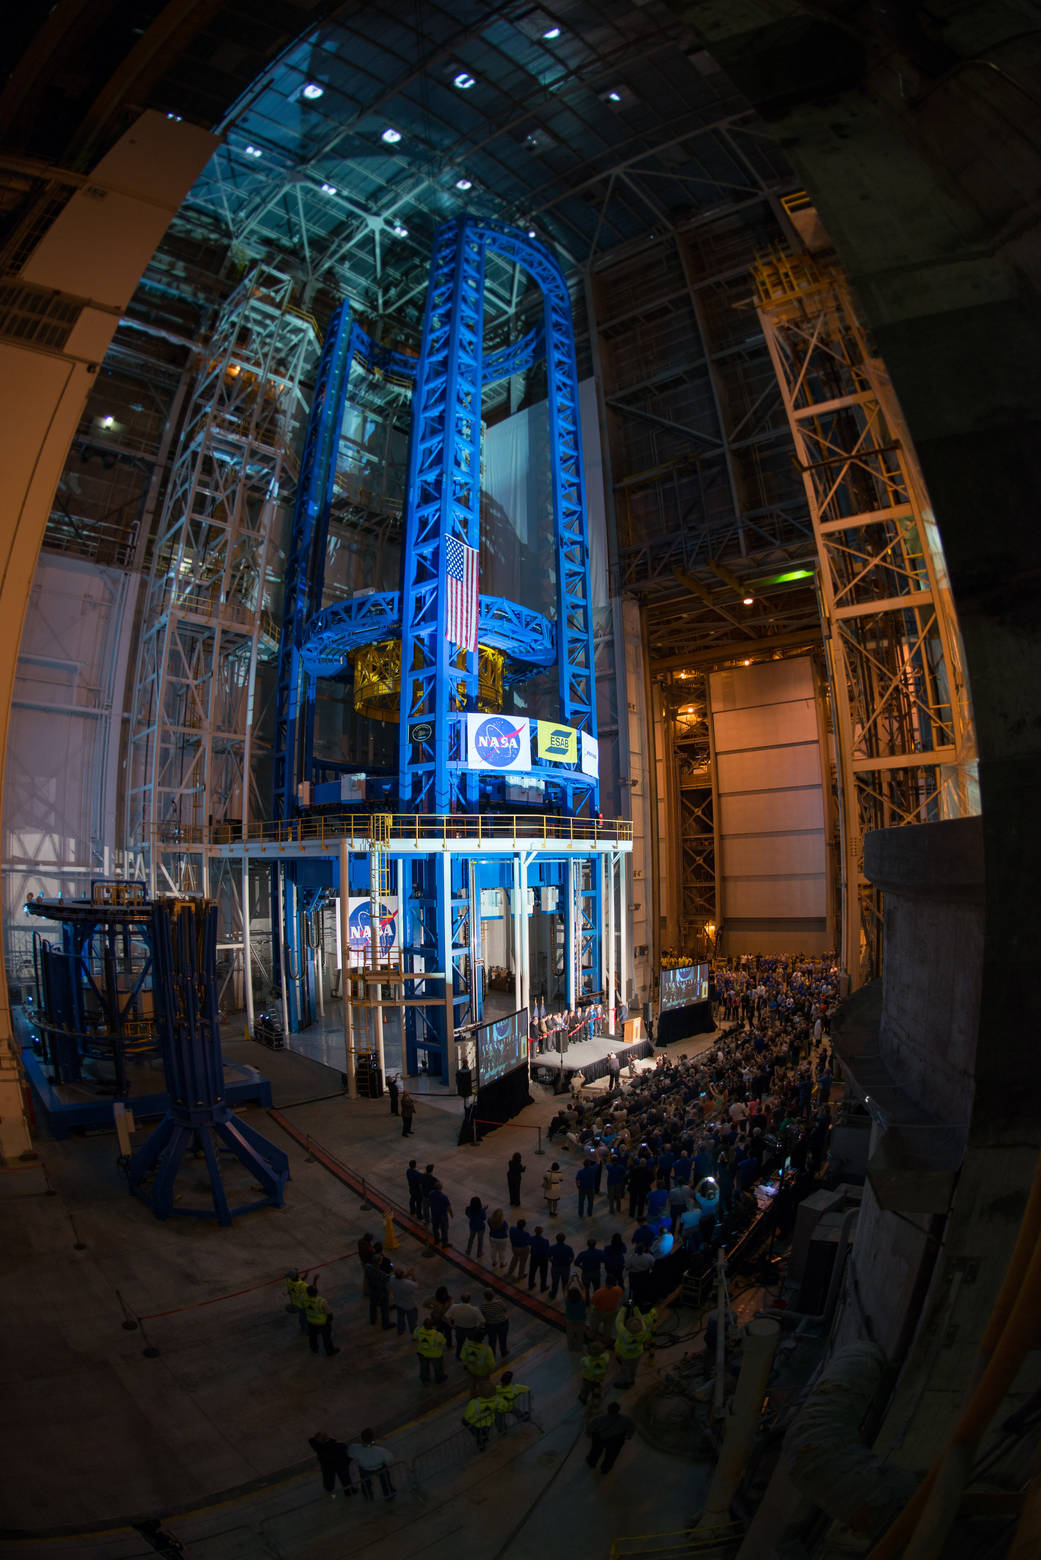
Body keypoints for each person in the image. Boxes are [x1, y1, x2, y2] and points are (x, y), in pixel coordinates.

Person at [586, 1402, 636, 1472]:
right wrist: (629, 1435)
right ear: (618, 1410)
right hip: (616, 1440)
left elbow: (590, 1427)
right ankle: (605, 1468)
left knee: (595, 1452)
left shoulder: (599, 1418)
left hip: (600, 1438)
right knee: (611, 1456)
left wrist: (589, 1434)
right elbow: (632, 1427)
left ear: (608, 1409)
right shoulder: (625, 1419)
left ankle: (592, 1462)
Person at [348, 1430, 395, 1501]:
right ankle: (388, 1495)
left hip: (365, 1469)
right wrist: (373, 1443)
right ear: (373, 1439)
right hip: (379, 1467)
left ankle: (368, 1496)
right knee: (385, 1481)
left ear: (361, 1438)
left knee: (365, 1483)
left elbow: (350, 1454)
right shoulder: (381, 1450)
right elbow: (390, 1458)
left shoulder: (354, 1448)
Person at [309, 1431, 354, 1498]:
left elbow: (311, 1440)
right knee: (345, 1478)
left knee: (328, 1479)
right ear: (327, 1438)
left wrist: (320, 1439)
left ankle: (330, 1490)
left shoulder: (318, 1447)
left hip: (327, 1466)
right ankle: (348, 1491)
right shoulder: (337, 1445)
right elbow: (345, 1452)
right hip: (339, 1464)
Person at [614, 1308, 647, 1388]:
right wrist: (635, 1309)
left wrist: (623, 1309)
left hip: (626, 1355)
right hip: (637, 1353)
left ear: (627, 1327)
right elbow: (641, 1319)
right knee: (633, 1367)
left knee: (625, 1369)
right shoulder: (643, 1331)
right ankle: (632, 1379)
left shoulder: (624, 1334)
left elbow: (618, 1321)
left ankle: (624, 1382)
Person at [303, 1285, 339, 1357]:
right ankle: (330, 1351)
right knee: (326, 1338)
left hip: (311, 1322)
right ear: (316, 1292)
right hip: (322, 1323)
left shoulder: (304, 1299)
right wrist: (329, 1321)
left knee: (312, 1336)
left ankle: (314, 1348)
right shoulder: (321, 1301)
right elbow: (329, 1313)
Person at [446, 1291, 484, 1357]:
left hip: (459, 1328)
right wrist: (478, 1328)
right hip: (471, 1329)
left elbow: (447, 1316)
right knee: (471, 1344)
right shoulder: (475, 1309)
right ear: (470, 1299)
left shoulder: (454, 1307)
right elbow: (483, 1321)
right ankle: (470, 1356)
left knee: (460, 1344)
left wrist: (451, 1325)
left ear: (461, 1299)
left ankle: (459, 1355)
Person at [459, 1330, 496, 1396]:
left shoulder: (467, 1344)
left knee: (472, 1383)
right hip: (482, 1372)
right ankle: (482, 1396)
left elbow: (462, 1357)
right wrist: (490, 1371)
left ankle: (472, 1394)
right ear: (482, 1339)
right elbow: (491, 1365)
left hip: (471, 1369)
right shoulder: (487, 1349)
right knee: (483, 1386)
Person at [364, 1247, 393, 1329]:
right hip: (382, 1292)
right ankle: (385, 1323)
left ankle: (373, 1319)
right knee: (384, 1308)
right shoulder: (382, 1274)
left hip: (372, 1290)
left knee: (372, 1305)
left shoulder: (367, 1267)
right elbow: (388, 1280)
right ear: (379, 1262)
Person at [413, 1316, 448, 1383]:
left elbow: (414, 1337)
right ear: (433, 1326)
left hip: (422, 1353)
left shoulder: (418, 1330)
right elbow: (444, 1342)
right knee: (438, 1368)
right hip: (435, 1355)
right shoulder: (437, 1334)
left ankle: (425, 1379)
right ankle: (439, 1378)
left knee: (424, 1367)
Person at [578, 1339, 609, 1407]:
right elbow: (606, 1355)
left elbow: (581, 1364)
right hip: (599, 1378)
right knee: (597, 1389)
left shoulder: (586, 1361)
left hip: (588, 1378)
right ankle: (596, 1400)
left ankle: (583, 1398)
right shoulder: (605, 1358)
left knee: (586, 1389)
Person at [480, 1289, 510, 1357]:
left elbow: (483, 1316)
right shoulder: (500, 1302)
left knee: (492, 1340)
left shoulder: (483, 1306)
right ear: (493, 1295)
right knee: (503, 1339)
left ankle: (492, 1354)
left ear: (485, 1297)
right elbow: (505, 1309)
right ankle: (503, 1351)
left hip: (490, 1325)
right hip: (502, 1323)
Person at [391, 1266, 418, 1336]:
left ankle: (400, 1330)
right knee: (412, 1321)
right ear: (402, 1275)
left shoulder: (392, 1279)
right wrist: (412, 1275)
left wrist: (407, 1274)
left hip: (398, 1302)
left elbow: (399, 1279)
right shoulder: (408, 1284)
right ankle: (414, 1333)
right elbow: (415, 1285)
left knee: (400, 1318)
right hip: (409, 1305)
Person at [548, 1231, 576, 1299]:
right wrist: (568, 1263)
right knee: (565, 1282)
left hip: (555, 1267)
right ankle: (566, 1295)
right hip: (565, 1267)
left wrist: (552, 1262)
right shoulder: (568, 1248)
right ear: (564, 1239)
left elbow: (549, 1256)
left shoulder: (552, 1247)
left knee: (555, 1282)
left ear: (556, 1239)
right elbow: (572, 1257)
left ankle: (553, 1294)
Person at [564, 1281, 588, 1350]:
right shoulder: (582, 1300)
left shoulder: (567, 1301)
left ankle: (570, 1347)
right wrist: (578, 1281)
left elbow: (565, 1289)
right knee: (580, 1333)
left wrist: (570, 1281)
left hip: (570, 1319)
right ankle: (579, 1347)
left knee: (569, 1333)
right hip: (581, 1319)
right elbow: (583, 1289)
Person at [506, 1217, 532, 1281]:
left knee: (515, 1258)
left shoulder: (512, 1229)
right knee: (522, 1262)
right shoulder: (526, 1234)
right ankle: (520, 1275)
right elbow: (528, 1242)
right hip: (523, 1249)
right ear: (524, 1226)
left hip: (514, 1247)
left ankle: (510, 1271)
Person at [428, 1180, 452, 1246]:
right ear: (441, 1188)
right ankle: (444, 1243)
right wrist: (451, 1214)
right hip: (442, 1215)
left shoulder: (431, 1193)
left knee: (435, 1228)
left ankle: (437, 1239)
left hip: (434, 1214)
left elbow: (429, 1202)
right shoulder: (443, 1197)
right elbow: (448, 1207)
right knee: (444, 1229)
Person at [285, 1268, 310, 1333]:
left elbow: (300, 1279)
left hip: (297, 1303)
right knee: (306, 1317)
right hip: (304, 1304)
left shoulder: (289, 1282)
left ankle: (303, 1328)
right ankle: (306, 1329)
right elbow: (312, 1291)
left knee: (301, 1317)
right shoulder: (302, 1285)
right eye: (297, 1273)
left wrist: (306, 1274)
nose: (298, 1273)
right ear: (296, 1276)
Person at [528, 1225, 550, 1292]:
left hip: (534, 1257)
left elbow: (529, 1243)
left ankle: (531, 1284)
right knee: (543, 1273)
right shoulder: (545, 1241)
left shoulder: (531, 1238)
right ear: (541, 1232)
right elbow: (548, 1250)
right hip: (543, 1258)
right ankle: (543, 1287)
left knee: (532, 1271)